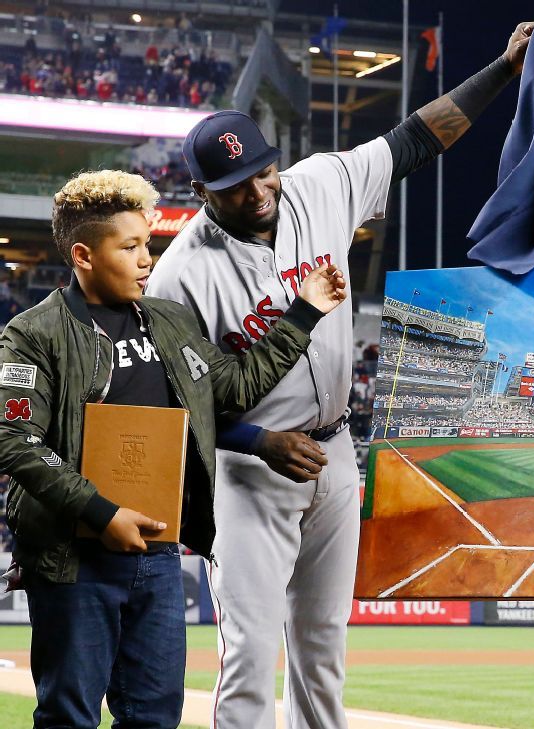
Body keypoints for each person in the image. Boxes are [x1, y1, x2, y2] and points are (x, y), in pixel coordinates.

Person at [144, 21, 534, 728]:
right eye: (238, 185)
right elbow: (177, 404)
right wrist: (255, 441)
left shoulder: (320, 183)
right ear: (203, 188)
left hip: (335, 454)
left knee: (324, 653)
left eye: (263, 169)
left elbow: (415, 139)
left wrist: (502, 70)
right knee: (247, 660)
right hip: (249, 475)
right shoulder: (181, 272)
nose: (259, 189)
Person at [0, 170, 345, 729]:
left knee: (156, 714)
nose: (146, 260)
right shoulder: (31, 334)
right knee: (70, 715)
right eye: (130, 247)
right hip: (74, 559)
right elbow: (12, 437)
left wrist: (302, 313)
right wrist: (101, 512)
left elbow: (233, 388)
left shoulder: (169, 320)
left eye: (149, 245)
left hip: (157, 556)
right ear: (84, 255)